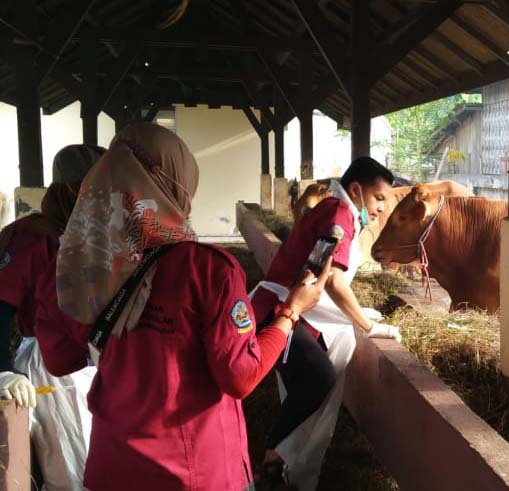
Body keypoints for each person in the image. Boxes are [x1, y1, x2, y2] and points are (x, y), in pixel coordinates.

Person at [34, 123, 333, 491]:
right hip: (193, 473)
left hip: (111, 467)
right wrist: (290, 312)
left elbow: (59, 359)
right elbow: (240, 376)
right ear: (175, 185)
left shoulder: (77, 268)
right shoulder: (207, 268)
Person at [250, 156, 401, 490]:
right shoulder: (339, 214)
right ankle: (272, 467)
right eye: (378, 198)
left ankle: (286, 471)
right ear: (357, 190)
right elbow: (331, 279)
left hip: (284, 304)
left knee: (311, 385)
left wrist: (358, 313)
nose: (379, 209)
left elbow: (317, 272)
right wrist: (367, 324)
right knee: (317, 379)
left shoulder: (338, 210)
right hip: (278, 308)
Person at [0, 144, 104, 491]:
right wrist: (2, 367)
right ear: (72, 188)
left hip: (94, 362)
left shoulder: (93, 234)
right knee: (74, 472)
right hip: (52, 369)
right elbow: (1, 302)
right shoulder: (33, 237)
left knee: (103, 464)